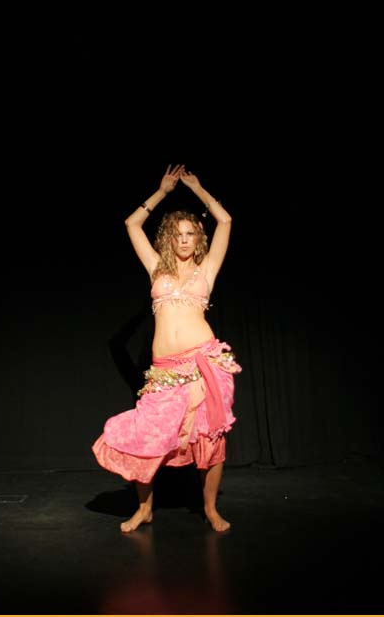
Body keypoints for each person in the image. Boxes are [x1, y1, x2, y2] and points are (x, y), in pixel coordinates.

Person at [91, 164, 242, 533]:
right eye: (178, 234)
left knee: (210, 439)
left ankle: (210, 509)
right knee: (148, 435)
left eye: (190, 234)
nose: (184, 240)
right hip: (164, 370)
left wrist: (198, 189)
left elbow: (225, 221)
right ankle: (144, 509)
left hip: (204, 364)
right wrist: (162, 192)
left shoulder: (207, 270)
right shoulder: (156, 268)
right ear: (169, 239)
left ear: (198, 238)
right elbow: (131, 224)